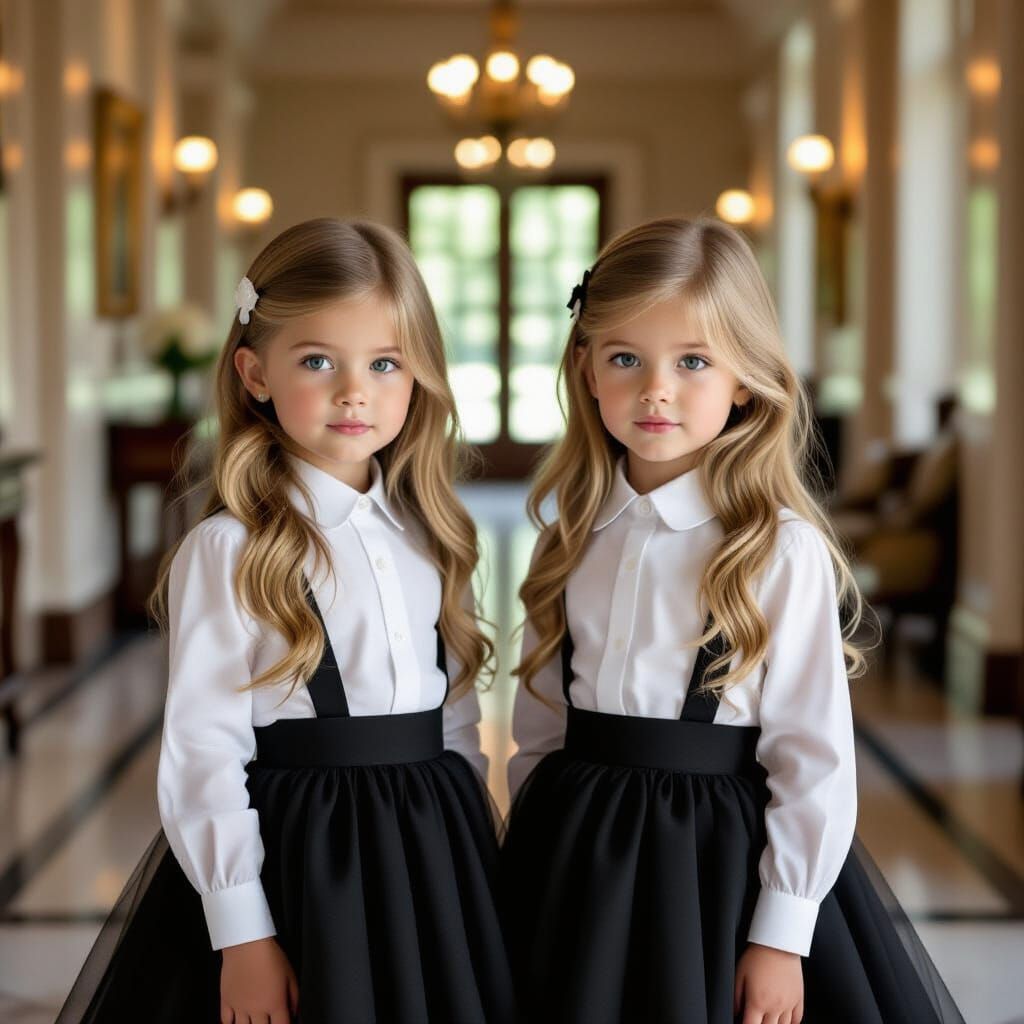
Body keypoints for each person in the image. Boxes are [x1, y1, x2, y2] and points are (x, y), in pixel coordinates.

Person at [501, 217, 964, 1024]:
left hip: (716, 864)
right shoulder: (568, 533)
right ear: (585, 370)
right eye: (625, 359)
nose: (656, 390)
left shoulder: (777, 549)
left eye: (692, 362)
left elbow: (812, 756)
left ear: (745, 379)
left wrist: (782, 936)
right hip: (574, 849)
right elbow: (541, 720)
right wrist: (534, 844)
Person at [57, 218, 514, 1024]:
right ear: (254, 373)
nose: (354, 392)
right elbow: (204, 753)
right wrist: (243, 934)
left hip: (434, 851)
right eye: (317, 361)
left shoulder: (433, 533)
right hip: (305, 861)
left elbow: (457, 719)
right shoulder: (229, 550)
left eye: (384, 364)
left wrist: (471, 855)